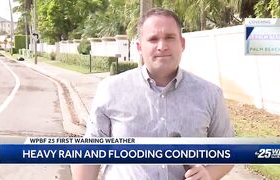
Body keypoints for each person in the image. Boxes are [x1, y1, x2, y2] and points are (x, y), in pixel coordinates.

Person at [71, 7, 234, 180]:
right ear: (140, 47)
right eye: (153, 39)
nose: (162, 46)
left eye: (170, 38)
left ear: (182, 44)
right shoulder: (110, 90)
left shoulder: (210, 94)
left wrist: (209, 173)